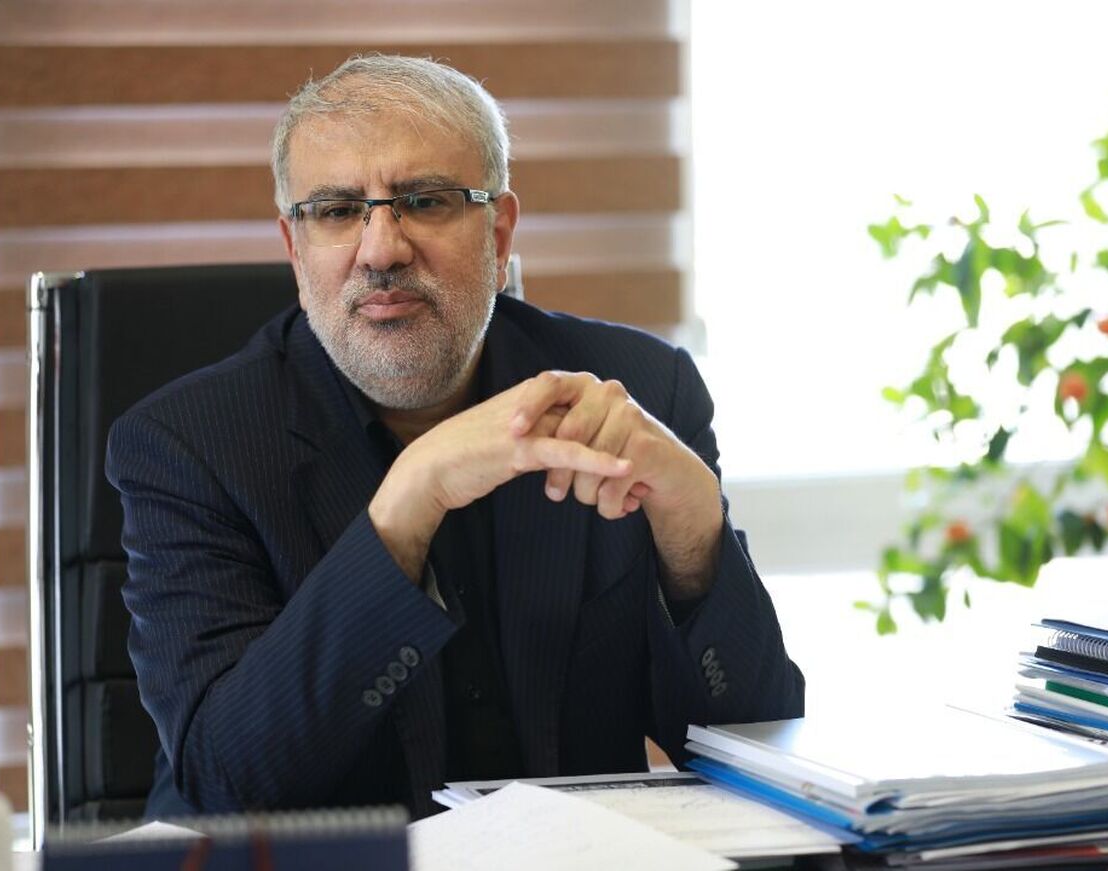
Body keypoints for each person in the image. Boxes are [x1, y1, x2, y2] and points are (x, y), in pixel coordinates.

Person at [107, 54, 804, 819]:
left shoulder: (639, 389)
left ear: (499, 232)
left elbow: (760, 742)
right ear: (294, 248)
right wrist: (409, 502)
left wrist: (697, 535)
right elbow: (223, 784)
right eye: (337, 210)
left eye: (425, 201)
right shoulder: (188, 446)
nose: (381, 249)